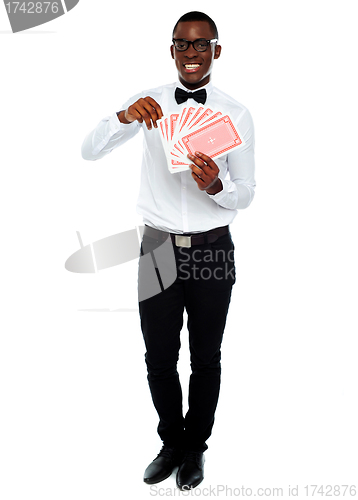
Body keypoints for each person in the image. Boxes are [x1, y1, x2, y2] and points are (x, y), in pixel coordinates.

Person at [81, 11, 255, 490]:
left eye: (201, 45)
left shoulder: (235, 113)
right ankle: (171, 441)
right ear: (171, 49)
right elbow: (89, 151)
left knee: (206, 357)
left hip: (213, 249)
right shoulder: (149, 103)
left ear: (216, 50)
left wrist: (218, 186)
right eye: (182, 44)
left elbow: (247, 191)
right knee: (158, 355)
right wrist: (122, 116)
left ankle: (196, 448)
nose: (191, 53)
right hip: (157, 247)